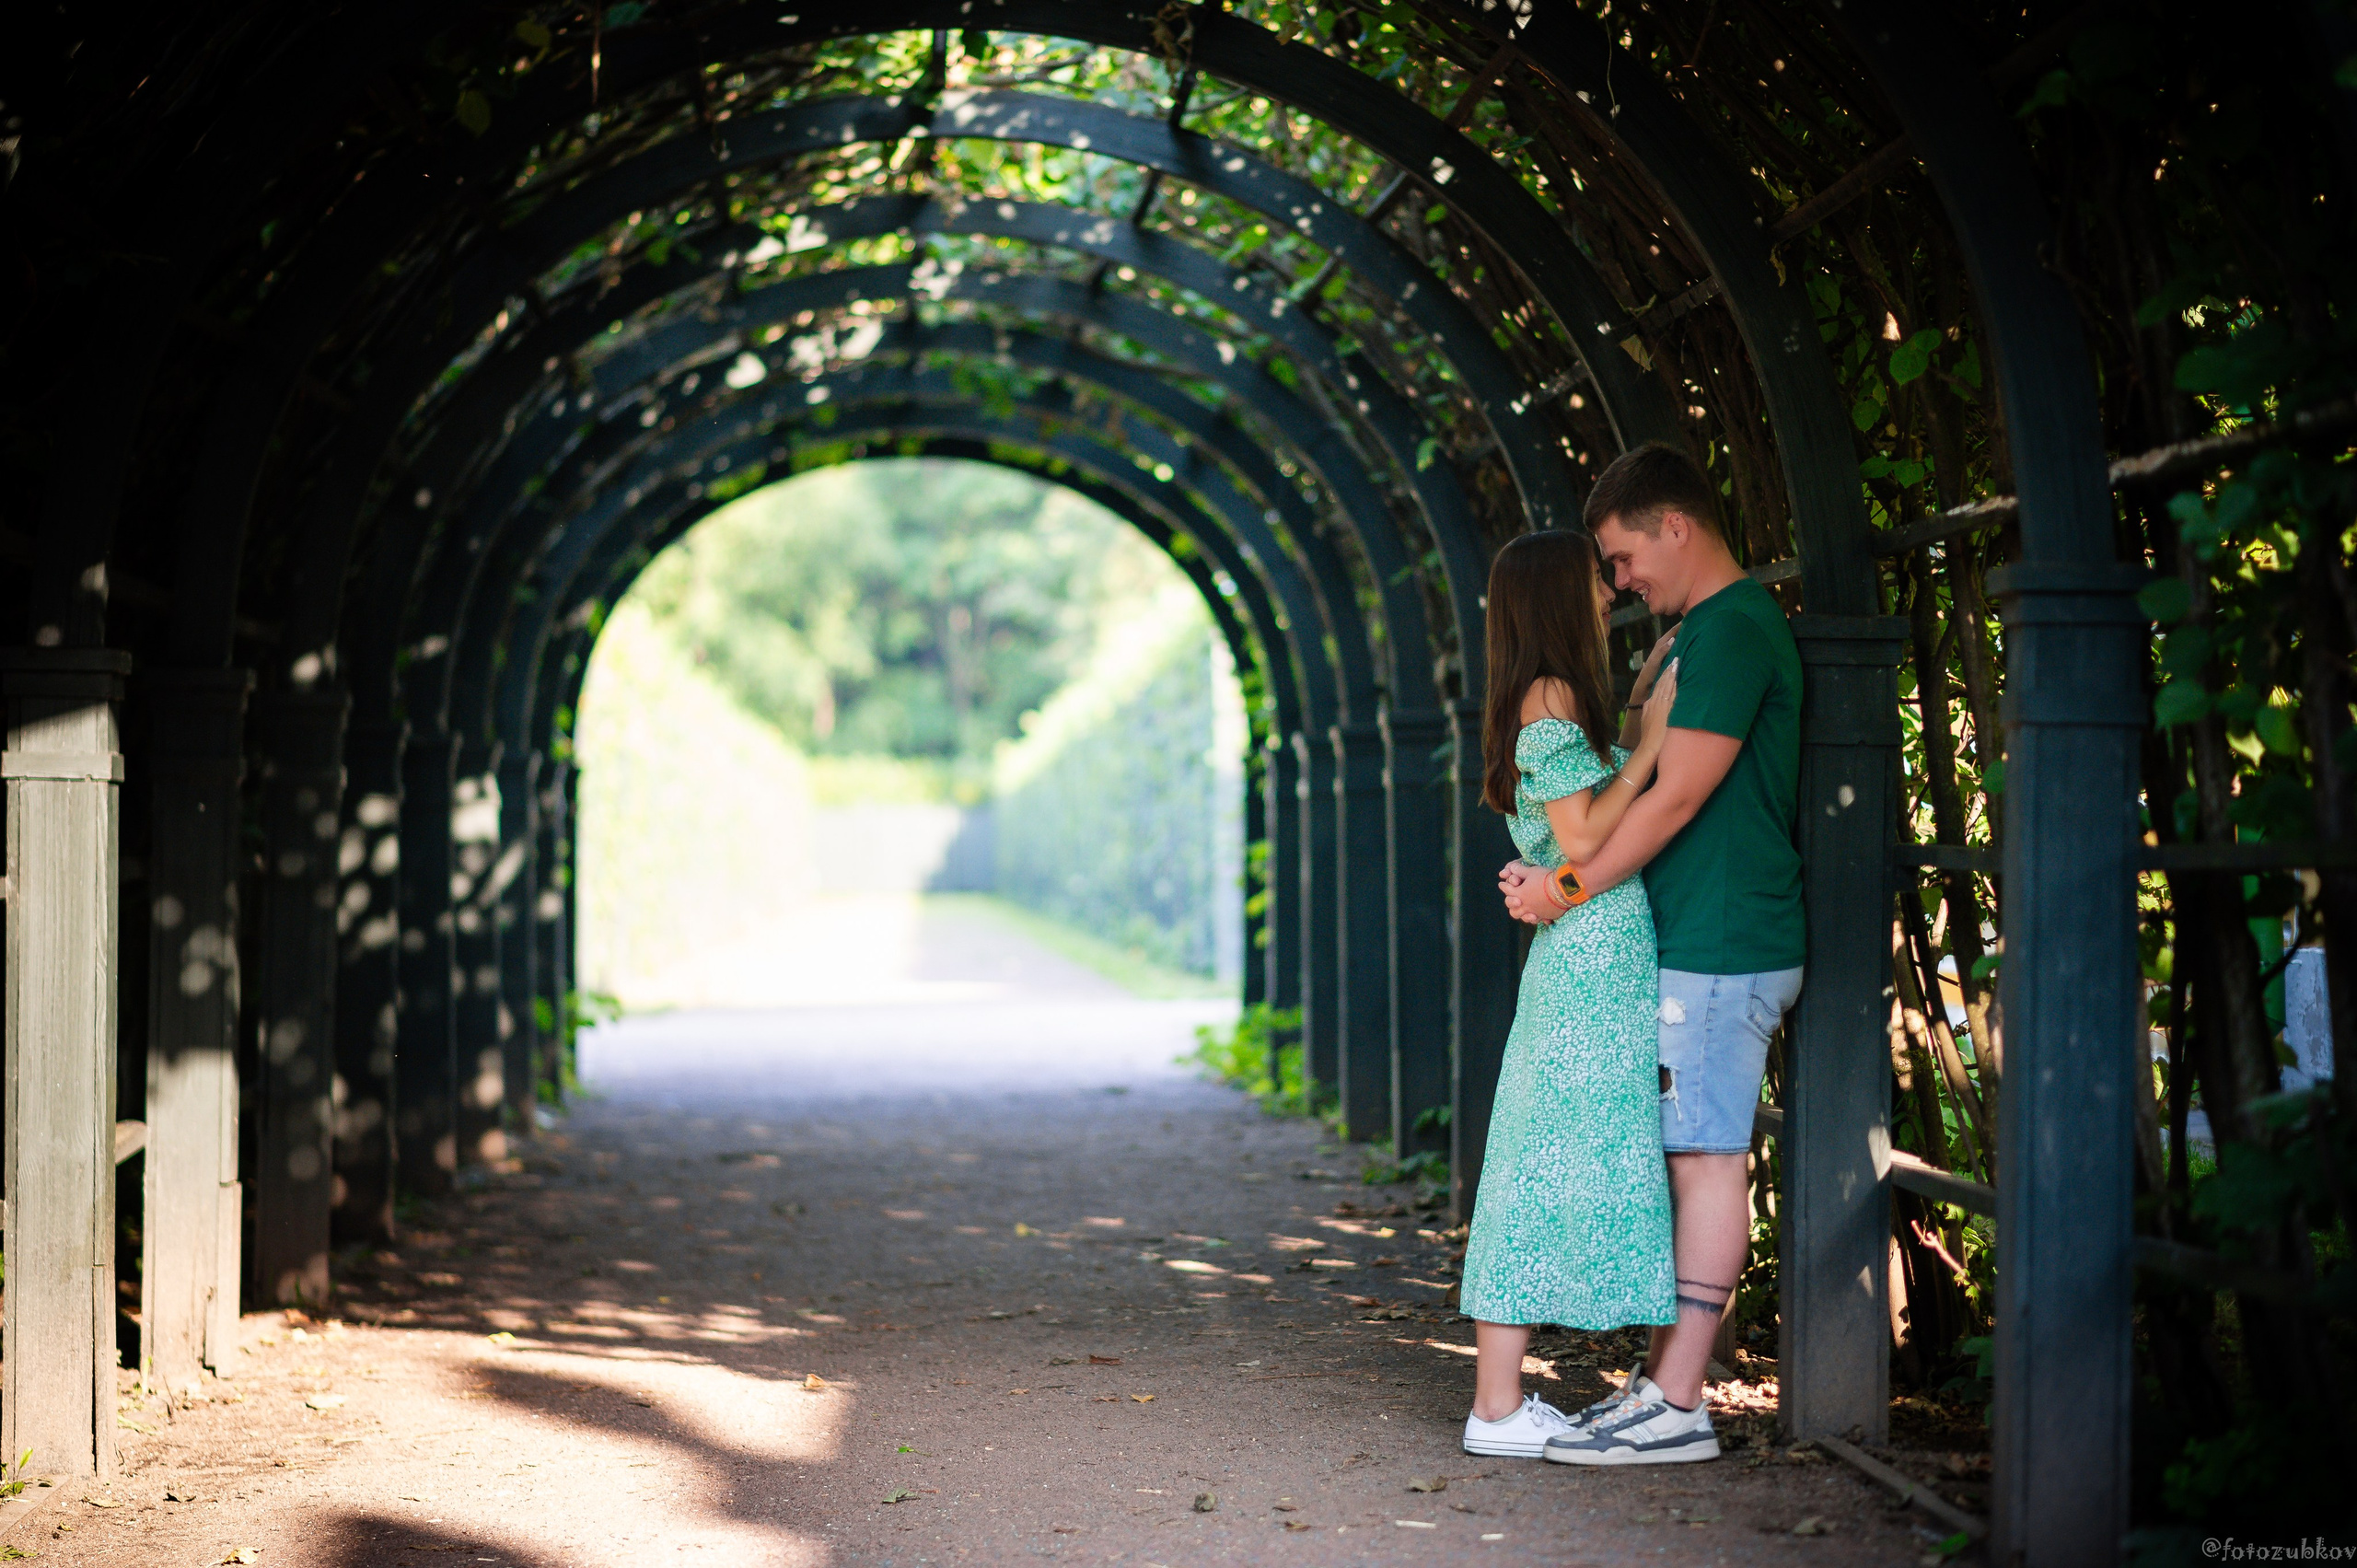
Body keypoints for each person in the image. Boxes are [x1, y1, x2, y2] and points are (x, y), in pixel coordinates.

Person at [1500, 440, 1805, 1469]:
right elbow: (1631, 770)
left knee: (1707, 1160)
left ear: (1676, 524)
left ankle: (1678, 1402)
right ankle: (1660, 1384)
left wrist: (1564, 888)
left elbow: (1674, 795)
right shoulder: (1694, 637)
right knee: (1688, 1156)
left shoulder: (1732, 632)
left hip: (1724, 941)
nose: (1620, 580)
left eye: (1624, 556)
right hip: (1696, 940)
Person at [1457, 528, 1684, 1460]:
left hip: (1582, 952)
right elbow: (1585, 837)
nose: (1608, 589)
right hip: (1590, 955)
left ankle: (1501, 1401)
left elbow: (1567, 830)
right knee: (1539, 1161)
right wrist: (1650, 746)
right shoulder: (1548, 694)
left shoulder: (1542, 694)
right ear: (1557, 591)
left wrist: (1632, 713)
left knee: (1542, 1154)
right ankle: (1497, 1407)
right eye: (1595, 576)